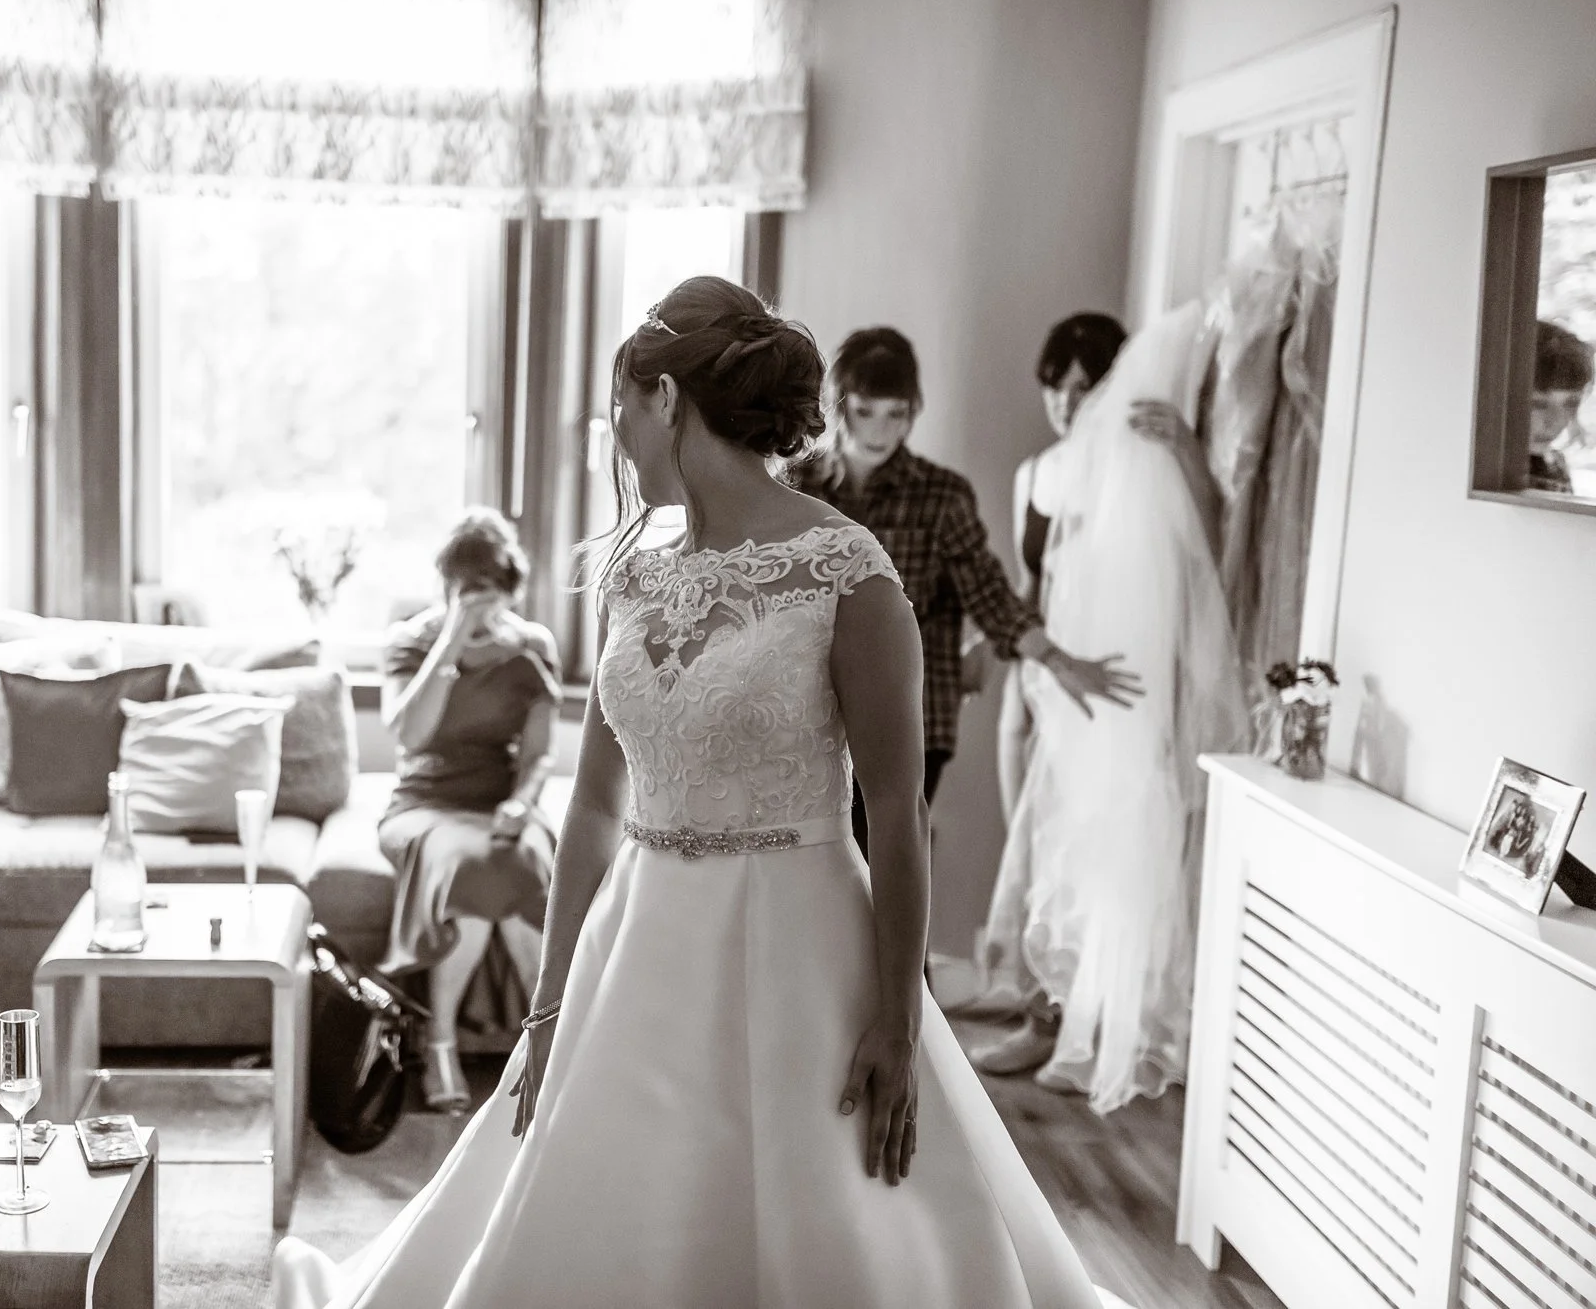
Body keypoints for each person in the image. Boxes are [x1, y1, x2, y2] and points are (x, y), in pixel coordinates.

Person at [272, 276, 1112, 1308]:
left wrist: (897, 1019)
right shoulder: (631, 575)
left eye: (620, 410)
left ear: (665, 398)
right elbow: (591, 805)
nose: (617, 440)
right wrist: (547, 1006)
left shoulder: (845, 572)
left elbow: (899, 813)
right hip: (635, 939)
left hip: (804, 947)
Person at [973, 302, 1249, 1113]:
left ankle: (1073, 1023)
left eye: (1084, 386)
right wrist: (1004, 648)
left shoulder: (1139, 466)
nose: (1066, 401)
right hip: (1036, 679)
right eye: (1055, 385)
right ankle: (1044, 1007)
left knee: (1084, 847)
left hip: (1102, 690)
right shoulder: (1035, 473)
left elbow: (1204, 553)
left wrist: (1188, 454)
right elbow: (1033, 581)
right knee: (1035, 851)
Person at [785, 328, 1141, 855]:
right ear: (839, 405)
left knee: (881, 863)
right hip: (807, 705)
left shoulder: (941, 496)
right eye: (865, 412)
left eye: (897, 413)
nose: (882, 430)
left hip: (912, 713)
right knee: (813, 864)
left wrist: (1059, 661)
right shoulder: (795, 485)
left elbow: (989, 593)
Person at [380, 509, 561, 1113]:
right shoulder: (411, 641)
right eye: (467, 592)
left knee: (522, 868)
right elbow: (410, 736)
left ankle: (546, 1045)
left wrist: (521, 802)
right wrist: (452, 641)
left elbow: (538, 754)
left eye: (493, 594)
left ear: (511, 593)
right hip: (426, 801)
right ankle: (441, 1046)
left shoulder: (532, 646)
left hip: (501, 801)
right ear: (447, 588)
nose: (482, 607)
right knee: (470, 869)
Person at [1529, 320, 1591, 495]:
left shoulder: (1556, 464)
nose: (1555, 421)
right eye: (1537, 403)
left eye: (1570, 403)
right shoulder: (1478, 469)